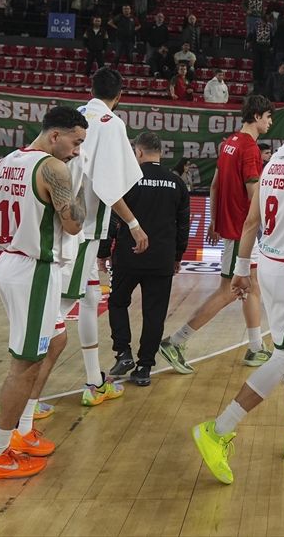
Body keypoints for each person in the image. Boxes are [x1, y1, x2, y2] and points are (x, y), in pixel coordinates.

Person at [191, 107, 284, 484]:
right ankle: (219, 429)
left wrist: (242, 269)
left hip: (269, 263)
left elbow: (251, 222)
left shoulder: (273, 162)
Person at [0, 105, 89, 480]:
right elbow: (73, 224)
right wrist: (80, 186)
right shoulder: (54, 168)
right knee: (24, 364)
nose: (77, 150)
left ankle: (24, 426)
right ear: (55, 135)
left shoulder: (5, 162)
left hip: (9, 263)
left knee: (57, 339)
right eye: (75, 142)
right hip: (34, 270)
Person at [159, 96, 274, 374]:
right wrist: (272, 223)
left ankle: (255, 347)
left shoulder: (229, 143)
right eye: (268, 117)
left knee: (252, 287)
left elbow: (214, 186)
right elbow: (254, 195)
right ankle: (176, 341)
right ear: (257, 116)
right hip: (241, 230)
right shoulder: (249, 148)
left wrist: (214, 220)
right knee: (229, 291)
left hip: (232, 225)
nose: (270, 122)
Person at [62, 68, 147, 406]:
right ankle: (25, 395)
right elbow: (109, 185)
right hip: (83, 228)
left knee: (88, 298)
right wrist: (134, 223)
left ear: (91, 88)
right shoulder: (112, 124)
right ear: (120, 95)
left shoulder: (74, 115)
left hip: (62, 217)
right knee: (58, 308)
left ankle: (94, 380)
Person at [101, 133, 190, 386]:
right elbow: (183, 224)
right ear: (160, 152)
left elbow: (113, 218)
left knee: (117, 303)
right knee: (155, 314)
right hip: (161, 259)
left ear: (138, 152)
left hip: (128, 257)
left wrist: (104, 251)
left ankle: (123, 353)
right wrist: (178, 256)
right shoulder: (177, 182)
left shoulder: (127, 180)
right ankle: (144, 368)